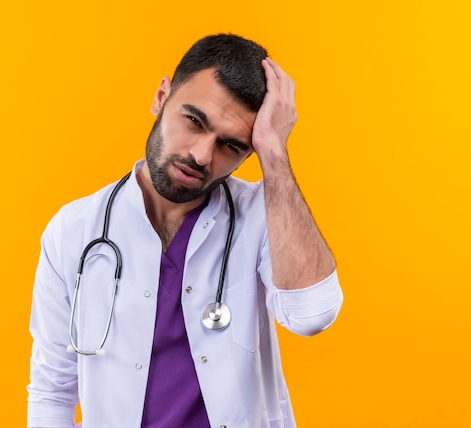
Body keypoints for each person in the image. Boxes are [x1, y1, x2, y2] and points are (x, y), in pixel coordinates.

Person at [27, 33, 343, 428]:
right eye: (194, 120)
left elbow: (313, 315)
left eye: (232, 145)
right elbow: (52, 391)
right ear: (162, 97)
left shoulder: (264, 216)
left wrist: (274, 153)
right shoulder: (74, 231)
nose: (201, 155)